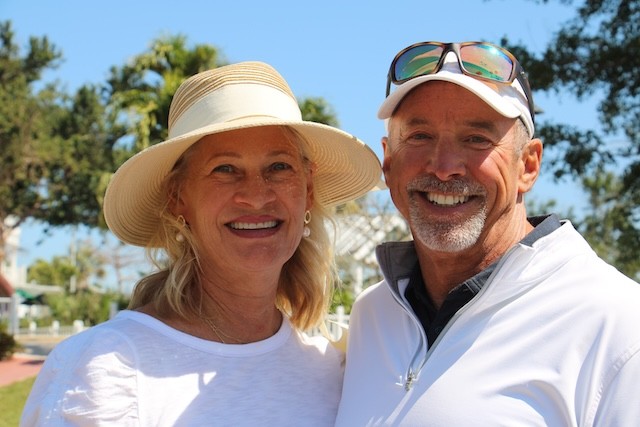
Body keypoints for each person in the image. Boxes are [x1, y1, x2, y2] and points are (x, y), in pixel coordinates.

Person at [21, 61, 382, 426]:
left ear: (307, 190)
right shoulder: (108, 368)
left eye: (278, 167)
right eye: (225, 169)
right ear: (178, 198)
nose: (256, 196)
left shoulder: (330, 371)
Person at [336, 41, 640, 426]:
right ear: (388, 161)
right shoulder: (372, 315)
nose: (444, 166)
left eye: (476, 139)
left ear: (528, 166)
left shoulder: (617, 325)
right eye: (419, 136)